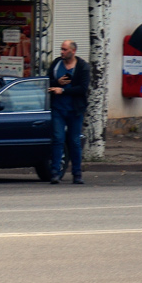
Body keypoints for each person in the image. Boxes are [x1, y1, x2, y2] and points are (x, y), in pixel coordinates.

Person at [48, 39, 91, 184]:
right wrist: (56, 83)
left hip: (75, 110)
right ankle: (55, 173)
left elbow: (82, 88)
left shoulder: (82, 67)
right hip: (58, 109)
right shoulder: (56, 64)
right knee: (58, 139)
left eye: (65, 49)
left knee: (74, 141)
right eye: (61, 49)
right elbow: (48, 82)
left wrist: (64, 90)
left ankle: (77, 173)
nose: (62, 52)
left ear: (73, 51)